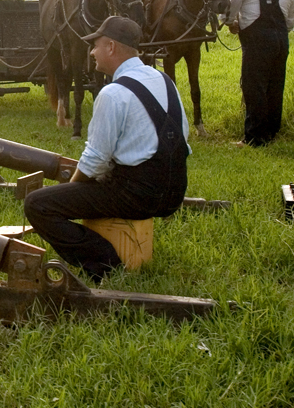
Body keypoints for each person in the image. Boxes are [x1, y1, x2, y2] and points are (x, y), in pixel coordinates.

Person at [23, 16, 189, 282]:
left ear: (111, 47)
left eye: (96, 45)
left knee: (38, 205)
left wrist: (72, 192)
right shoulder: (164, 80)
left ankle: (106, 263)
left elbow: (94, 161)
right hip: (175, 190)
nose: (91, 52)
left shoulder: (112, 93)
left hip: (138, 195)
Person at [226, 0, 294, 147]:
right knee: (275, 86)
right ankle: (272, 132)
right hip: (281, 43)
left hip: (256, 44)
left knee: (254, 87)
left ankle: (255, 138)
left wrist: (232, 23)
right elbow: (289, 23)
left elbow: (228, 15)